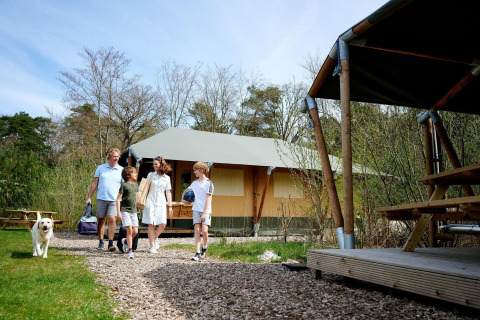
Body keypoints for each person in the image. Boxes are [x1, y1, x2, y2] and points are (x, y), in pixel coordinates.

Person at [86, 148, 123, 251]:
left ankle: (110, 243)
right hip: (101, 198)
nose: (116, 158)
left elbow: (124, 185)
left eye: (117, 156)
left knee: (112, 219)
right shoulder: (101, 168)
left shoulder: (121, 170)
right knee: (101, 220)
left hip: (114, 200)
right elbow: (95, 183)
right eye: (114, 156)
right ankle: (101, 241)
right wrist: (89, 197)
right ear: (109, 157)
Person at [141, 156, 173, 253]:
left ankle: (155, 238)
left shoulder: (167, 178)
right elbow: (145, 189)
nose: (154, 166)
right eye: (153, 164)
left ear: (161, 165)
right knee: (151, 224)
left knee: (162, 224)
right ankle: (152, 246)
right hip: (150, 202)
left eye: (156, 164)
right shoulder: (150, 175)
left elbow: (168, 192)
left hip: (161, 203)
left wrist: (170, 206)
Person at [183, 161, 214, 261]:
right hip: (196, 209)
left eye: (195, 170)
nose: (194, 172)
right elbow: (187, 192)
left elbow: (208, 199)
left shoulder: (209, 184)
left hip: (206, 211)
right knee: (197, 231)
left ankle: (204, 248)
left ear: (201, 170)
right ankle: (197, 252)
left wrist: (204, 213)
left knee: (204, 231)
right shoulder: (194, 183)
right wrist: (185, 200)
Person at [115, 166, 139, 259]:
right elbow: (118, 200)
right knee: (129, 230)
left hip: (134, 211)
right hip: (125, 210)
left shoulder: (136, 185)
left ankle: (125, 241)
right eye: (134, 173)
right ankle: (130, 251)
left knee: (135, 231)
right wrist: (118, 213)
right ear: (129, 175)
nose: (136, 174)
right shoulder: (124, 185)